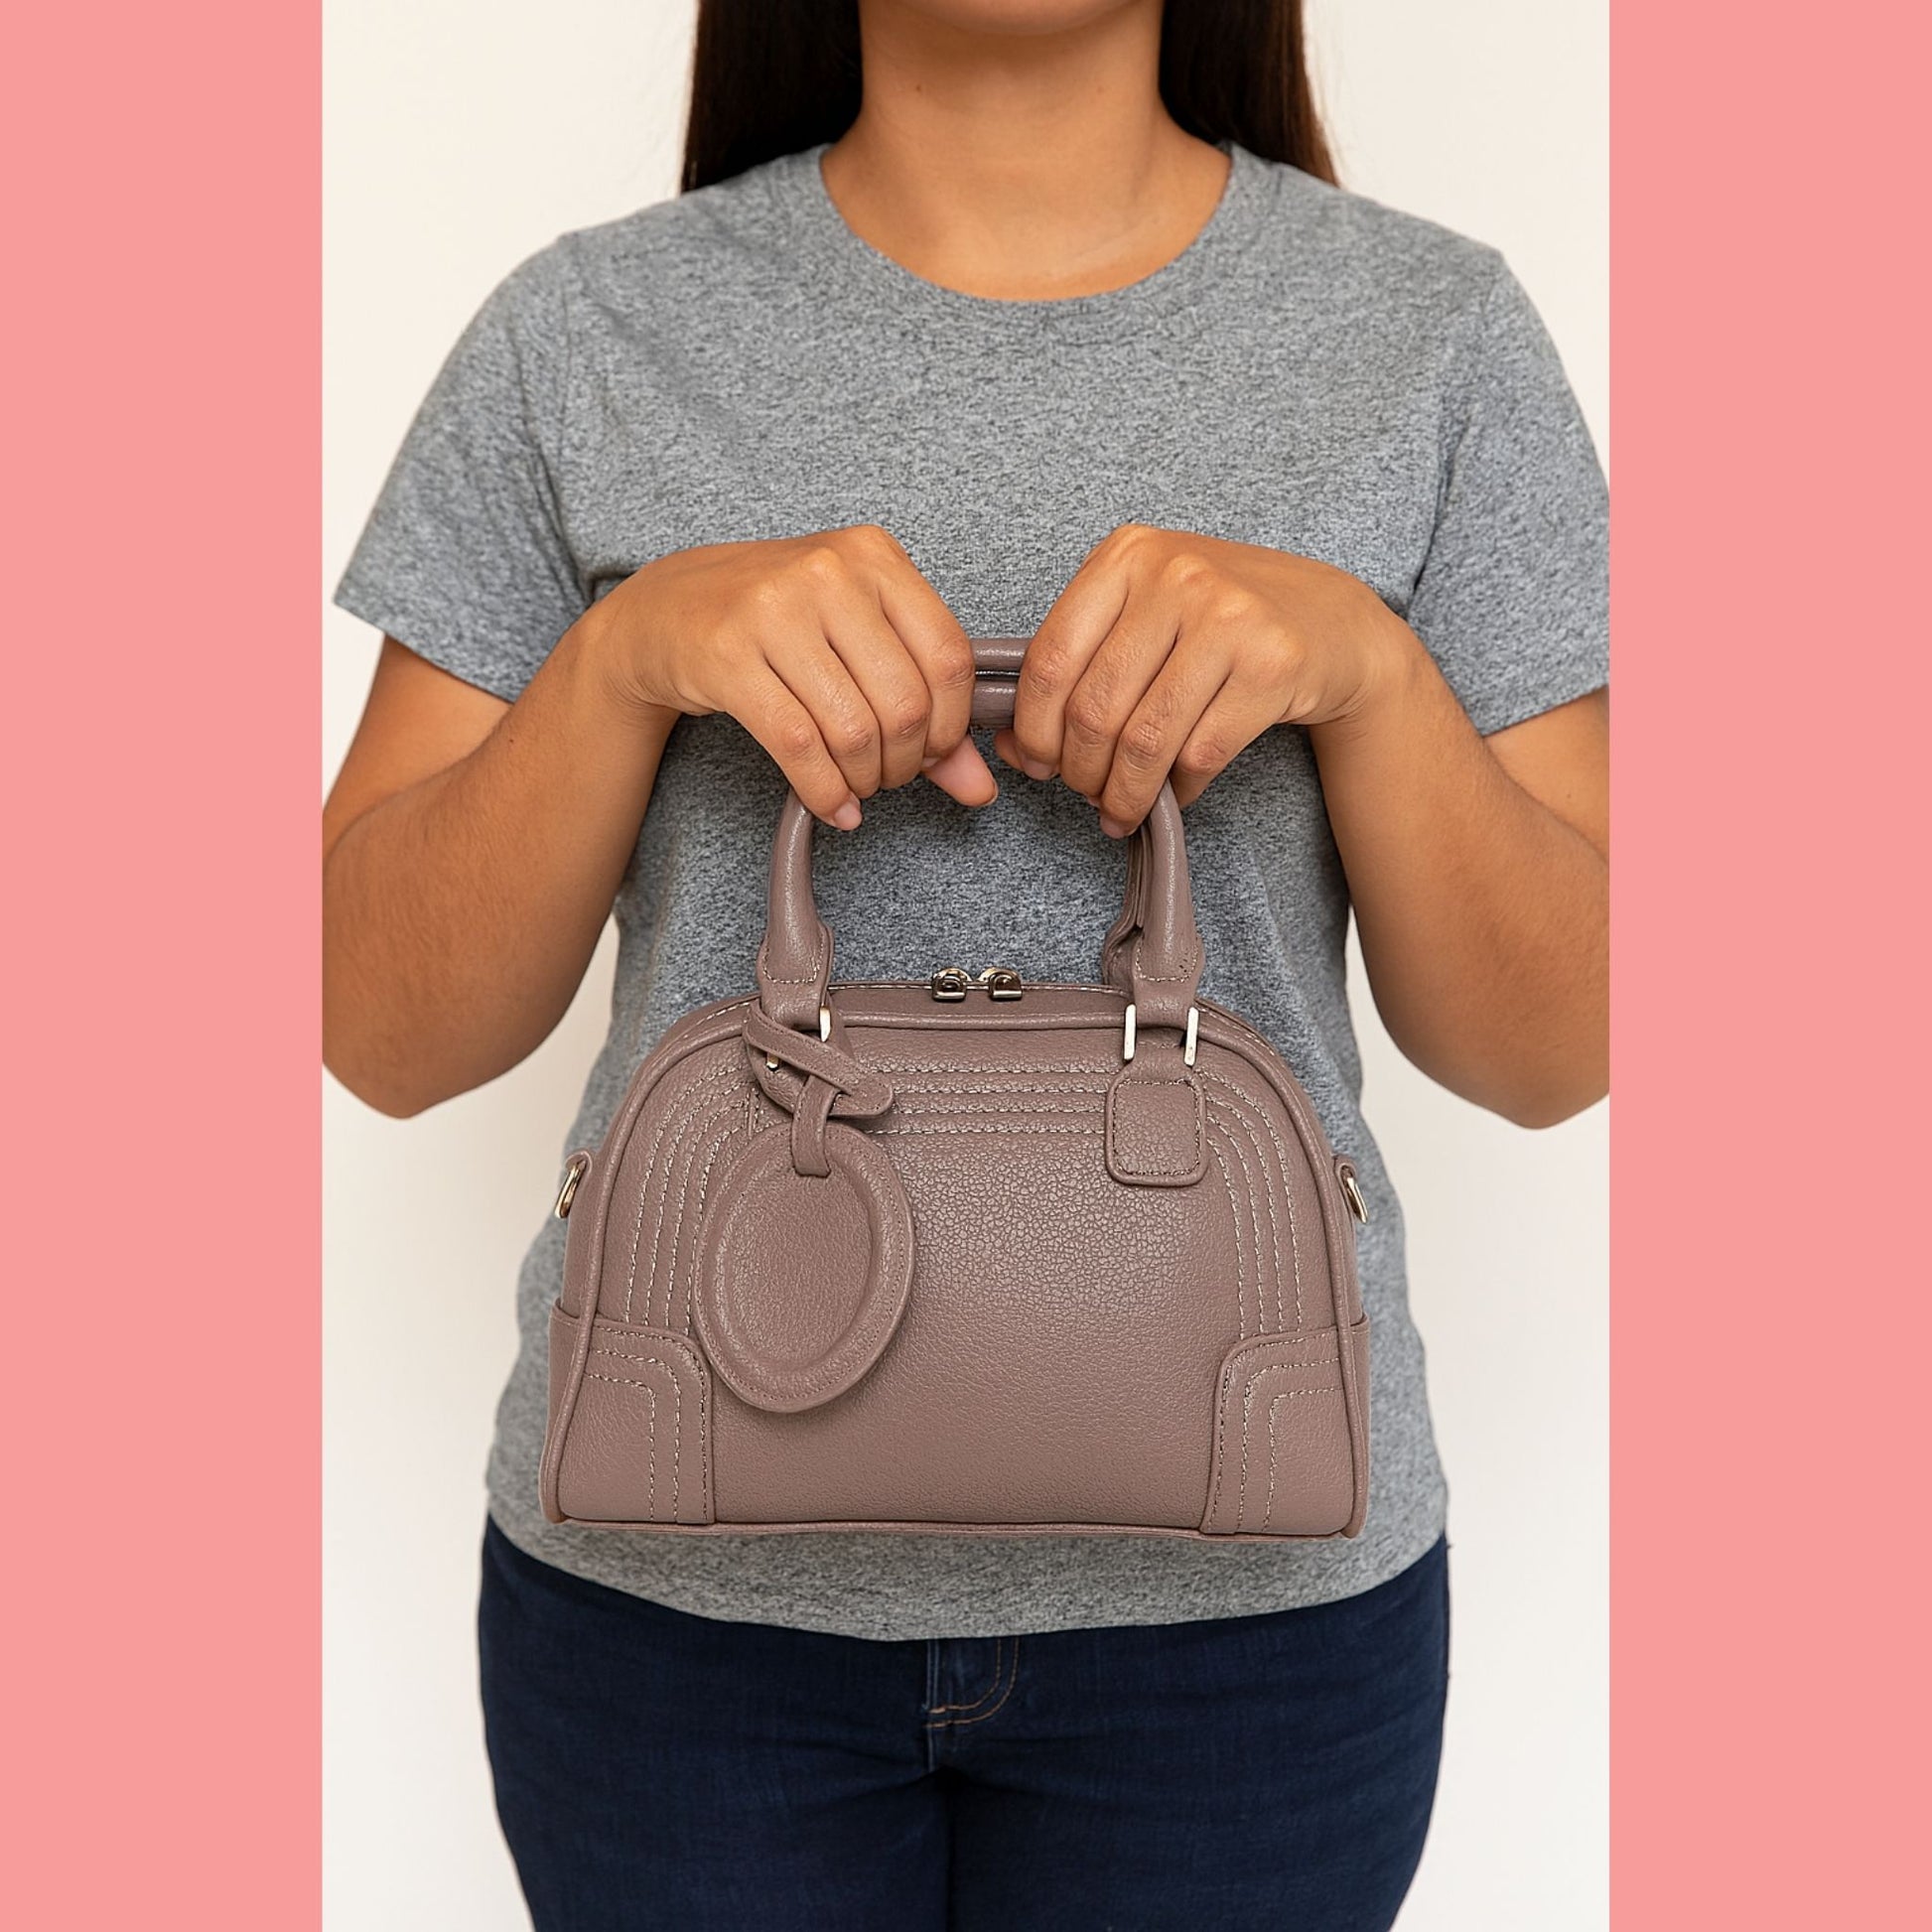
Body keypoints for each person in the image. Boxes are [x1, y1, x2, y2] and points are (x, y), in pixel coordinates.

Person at [323, 1, 1608, 1925]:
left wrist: (1362, 672)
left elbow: (1557, 1038)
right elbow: (373, 1018)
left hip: (1251, 1641)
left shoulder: (1435, 339)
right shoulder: (577, 337)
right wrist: (624, 663)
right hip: (677, 1636)